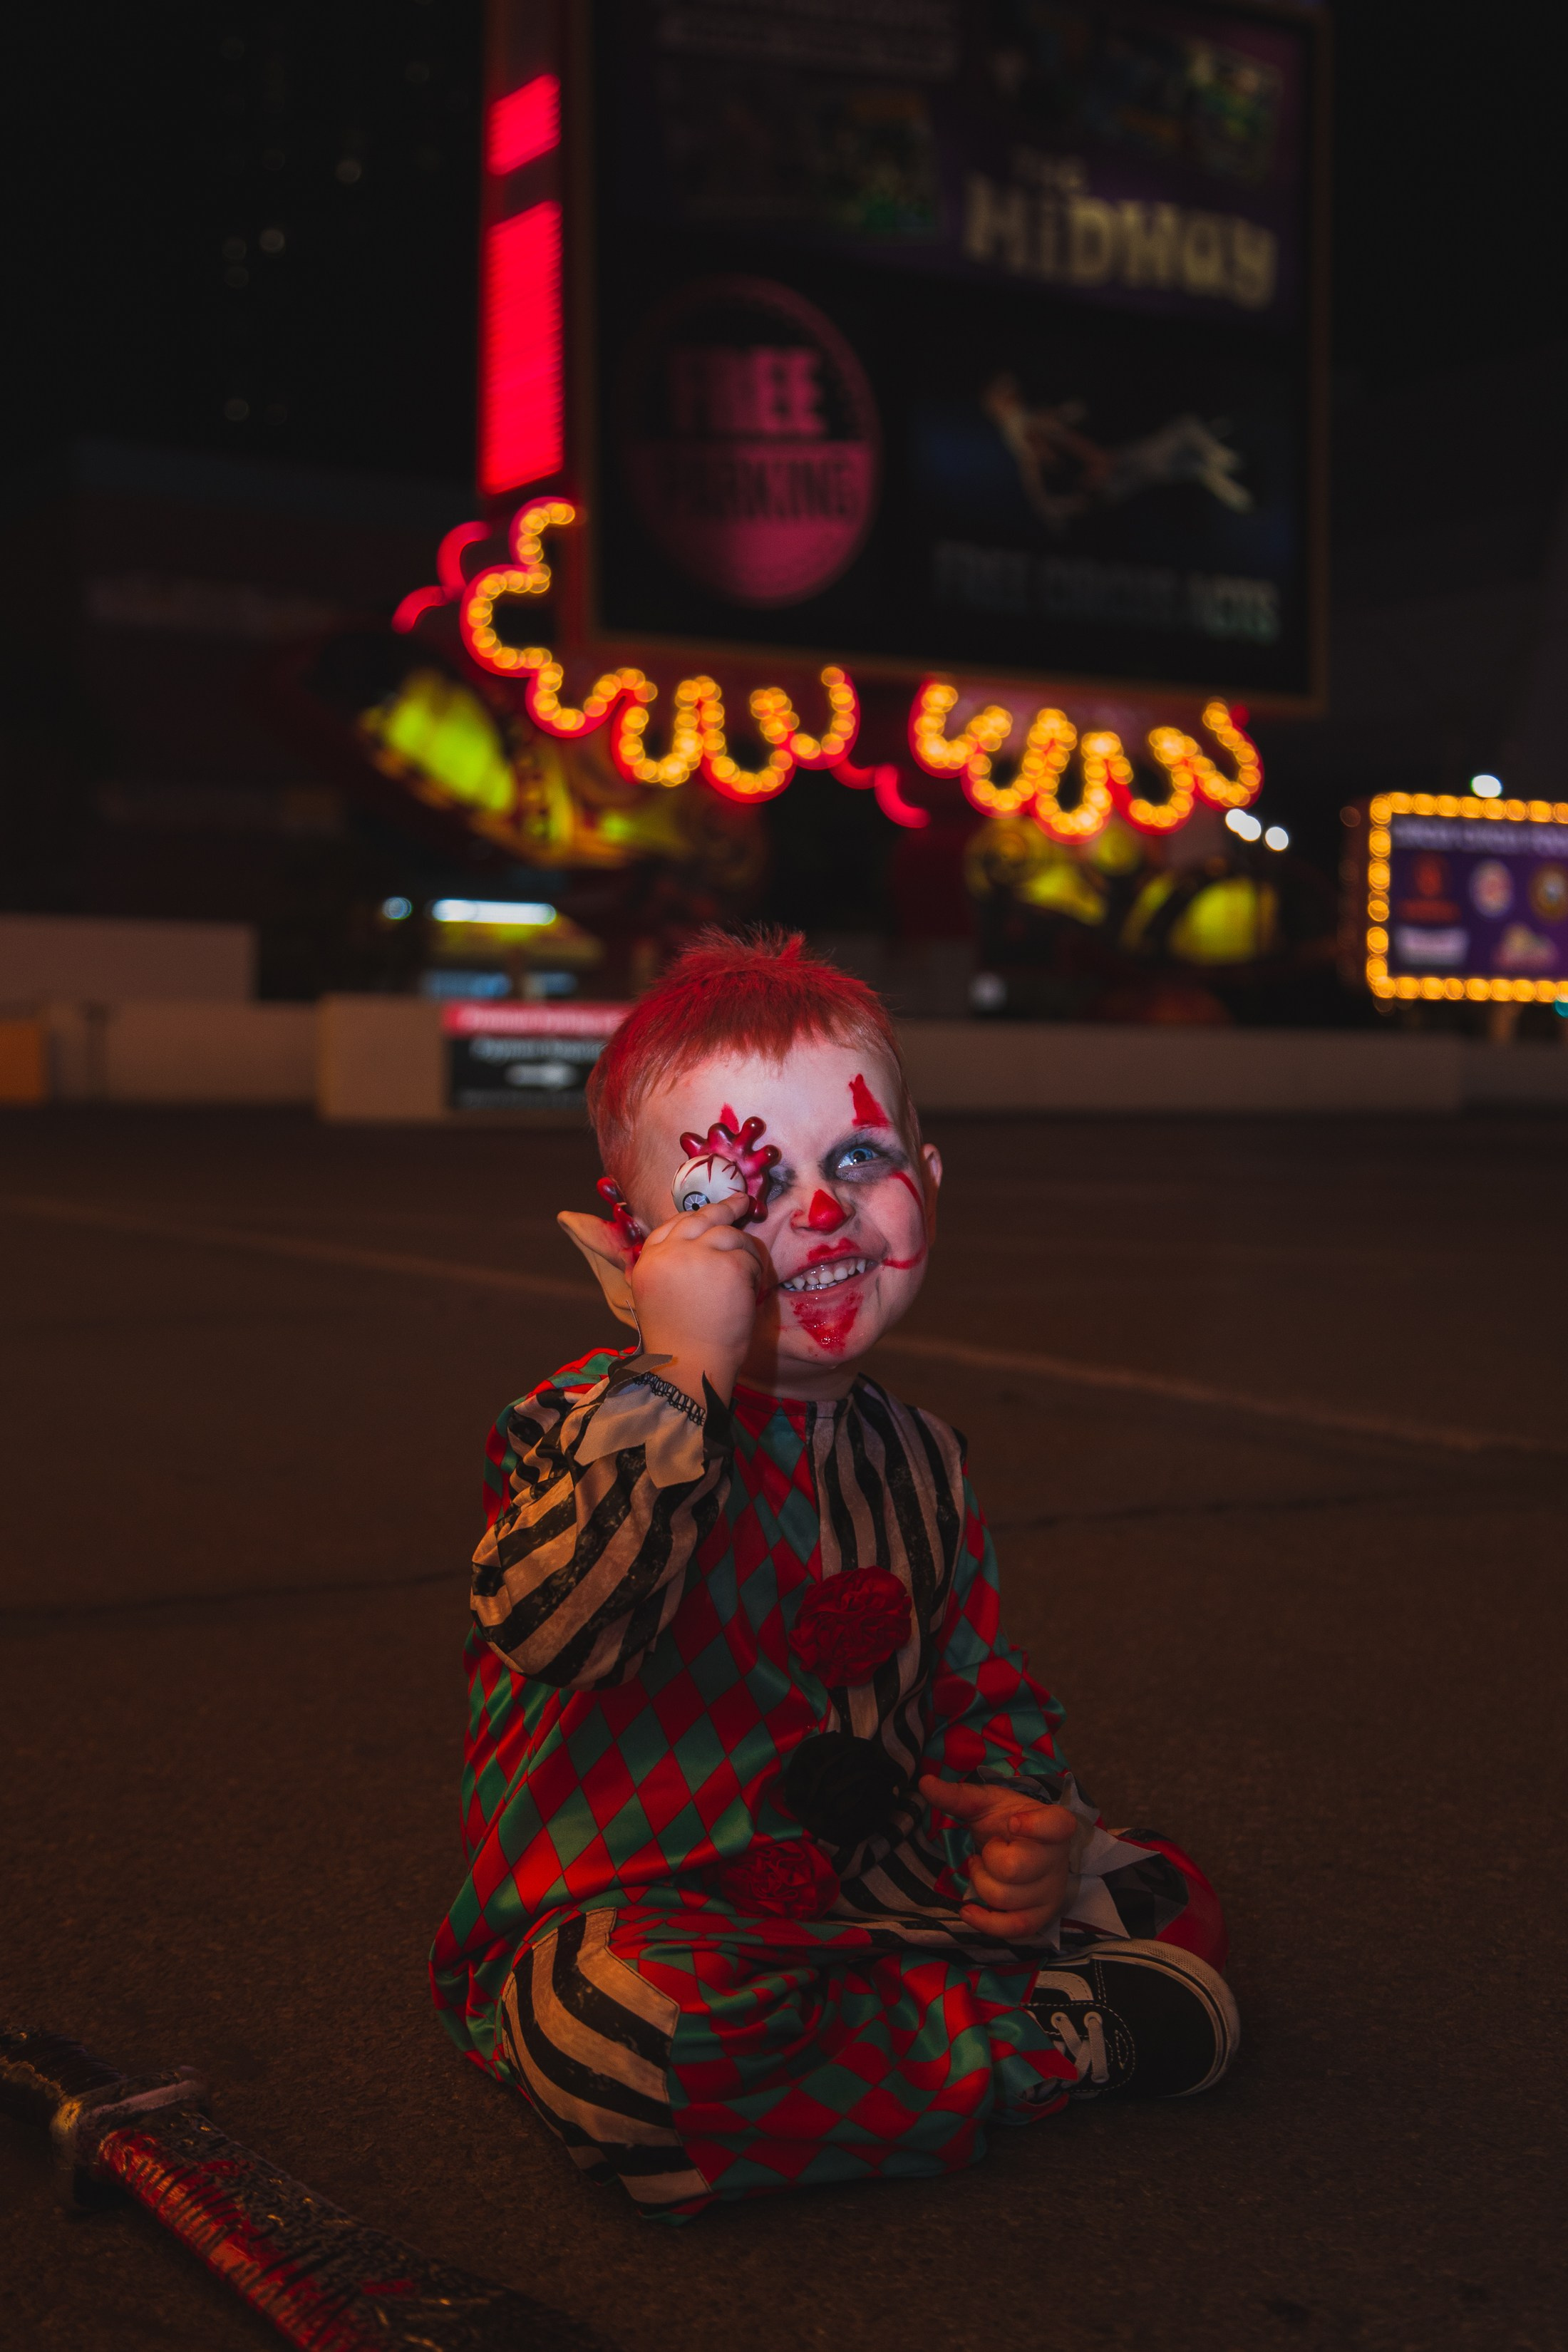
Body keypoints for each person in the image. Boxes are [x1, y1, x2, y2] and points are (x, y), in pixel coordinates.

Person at [429, 929, 1239, 2220]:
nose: (816, 1213)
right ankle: (1046, 2045)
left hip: (886, 1879)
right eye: (732, 1192)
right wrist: (681, 1376)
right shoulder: (579, 1425)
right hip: (647, 1908)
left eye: (858, 1159)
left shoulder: (923, 1460)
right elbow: (554, 1629)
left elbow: (979, 1686)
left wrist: (1029, 1816)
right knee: (627, 2041)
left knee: (1158, 1884)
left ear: (928, 1177)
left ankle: (914, 2025)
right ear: (628, 1244)